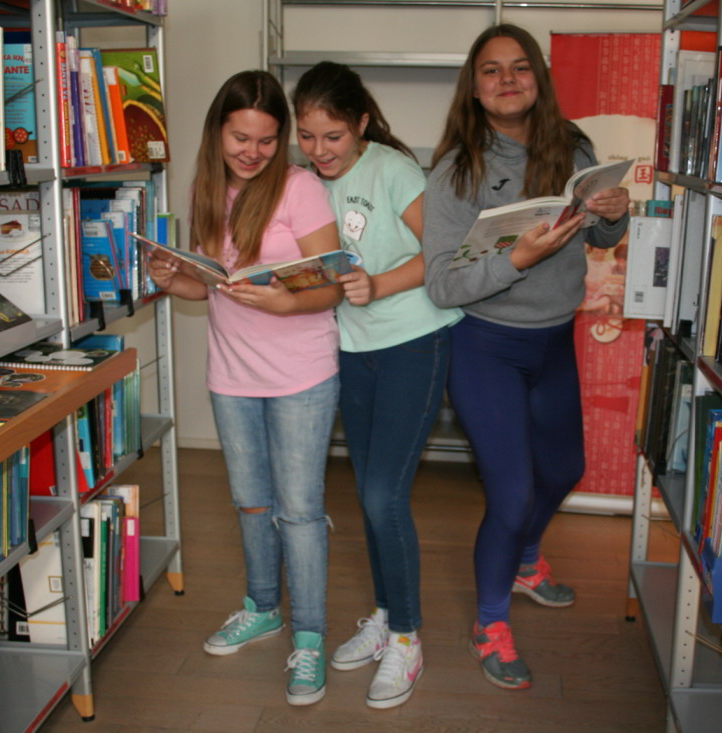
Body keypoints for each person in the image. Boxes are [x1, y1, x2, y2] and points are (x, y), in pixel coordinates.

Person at [422, 24, 631, 691]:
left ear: (539, 77)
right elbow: (442, 284)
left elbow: (599, 235)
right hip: (485, 345)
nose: (507, 80)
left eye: (520, 67)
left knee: (565, 468)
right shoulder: (456, 171)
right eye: (492, 70)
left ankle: (525, 560)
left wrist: (614, 213)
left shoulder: (572, 146)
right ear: (474, 86)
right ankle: (490, 623)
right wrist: (517, 259)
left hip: (554, 339)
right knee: (510, 497)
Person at [147, 69, 342, 707]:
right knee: (251, 504)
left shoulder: (300, 188)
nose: (252, 152)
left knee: (299, 511)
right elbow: (209, 287)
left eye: (266, 140)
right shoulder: (207, 186)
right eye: (240, 138)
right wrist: (169, 278)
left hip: (301, 375)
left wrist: (281, 301)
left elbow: (331, 287)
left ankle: (309, 637)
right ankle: (262, 607)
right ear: (218, 133)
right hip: (231, 375)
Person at [292, 61, 462, 709]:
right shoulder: (307, 182)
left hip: (414, 341)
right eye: (307, 136)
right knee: (370, 498)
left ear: (361, 123)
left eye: (333, 135)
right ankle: (387, 615)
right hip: (353, 349)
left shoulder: (394, 170)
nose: (319, 149)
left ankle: (408, 638)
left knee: (383, 493)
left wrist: (378, 284)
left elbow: (443, 252)